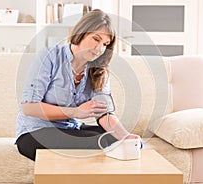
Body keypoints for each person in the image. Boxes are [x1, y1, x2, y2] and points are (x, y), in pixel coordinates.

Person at [15, 9, 140, 161]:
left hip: (69, 129)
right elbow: (29, 107)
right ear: (81, 33)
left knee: (113, 139)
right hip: (35, 131)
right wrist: (75, 112)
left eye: (105, 44)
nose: (100, 48)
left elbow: (104, 113)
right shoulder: (49, 57)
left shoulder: (98, 70)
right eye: (96, 39)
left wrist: (126, 137)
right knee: (100, 143)